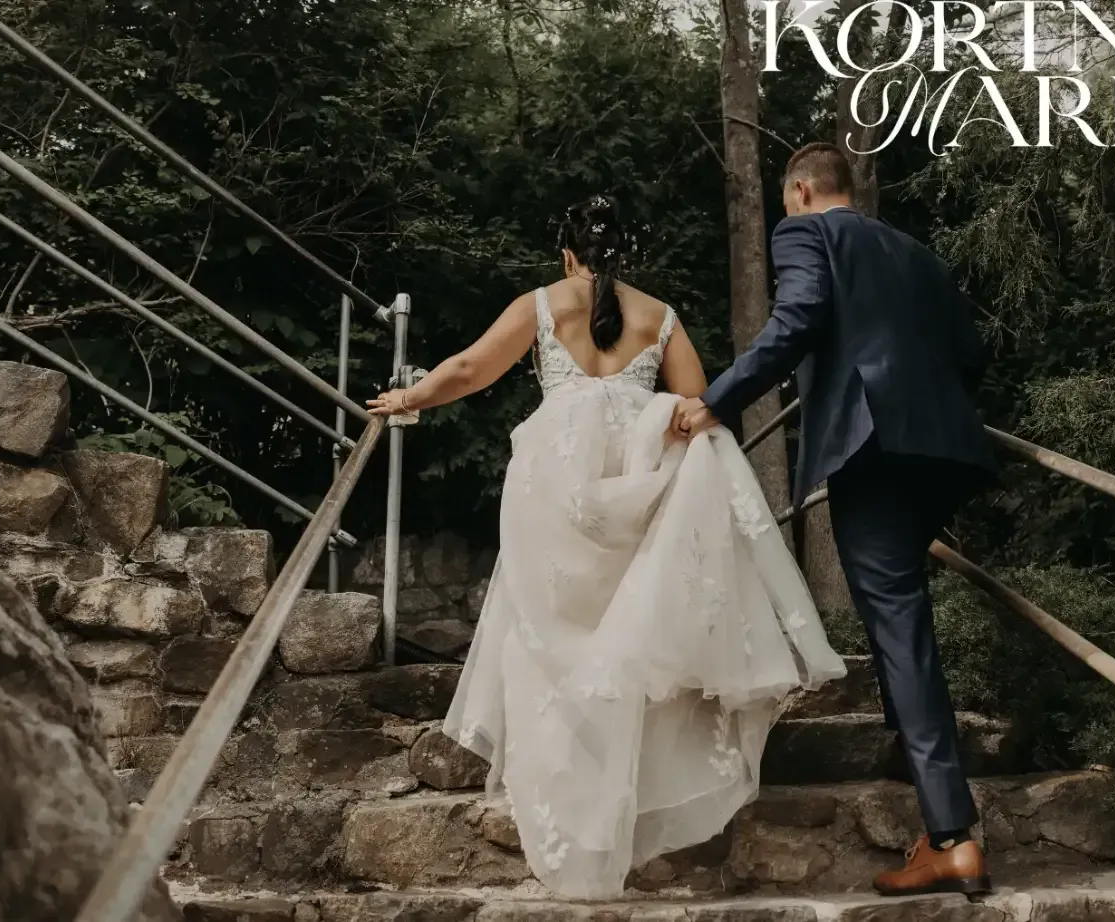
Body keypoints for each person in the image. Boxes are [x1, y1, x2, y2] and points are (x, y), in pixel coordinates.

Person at [368, 194, 847, 899]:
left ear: (567, 253)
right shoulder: (660, 317)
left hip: (553, 496)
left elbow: (469, 370)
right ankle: (623, 806)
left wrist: (407, 400)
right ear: (624, 253)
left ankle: (572, 807)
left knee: (547, 647)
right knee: (629, 650)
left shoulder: (542, 304)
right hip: (639, 491)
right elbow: (698, 410)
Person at [672, 143, 999, 898]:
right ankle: (920, 776)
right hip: (944, 449)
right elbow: (969, 352)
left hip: (872, 443)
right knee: (901, 611)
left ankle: (951, 837)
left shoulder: (804, 232)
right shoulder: (915, 252)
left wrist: (715, 401)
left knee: (898, 621)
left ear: (799, 190)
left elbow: (797, 321)